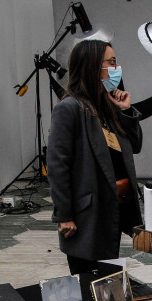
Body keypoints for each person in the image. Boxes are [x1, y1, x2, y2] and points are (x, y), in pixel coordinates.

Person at [47, 40, 142, 275]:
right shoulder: (69, 109)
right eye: (111, 62)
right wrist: (64, 214)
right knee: (87, 282)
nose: (116, 67)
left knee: (106, 279)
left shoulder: (107, 108)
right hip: (86, 214)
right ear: (92, 66)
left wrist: (126, 111)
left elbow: (136, 145)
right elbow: (58, 166)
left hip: (111, 208)